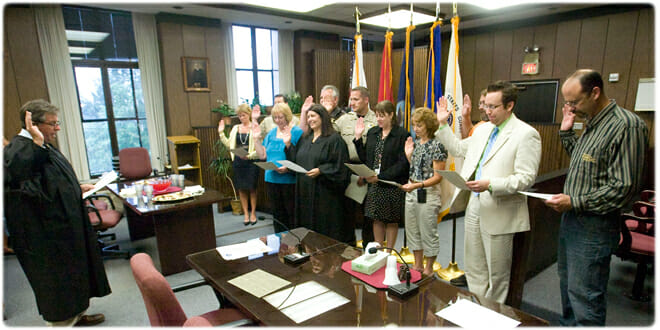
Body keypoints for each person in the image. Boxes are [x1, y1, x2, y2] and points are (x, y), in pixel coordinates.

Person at [544, 69, 648, 326]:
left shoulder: (626, 125)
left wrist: (574, 201)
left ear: (595, 93)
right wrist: (567, 132)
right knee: (569, 288)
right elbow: (584, 164)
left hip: (595, 226)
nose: (570, 108)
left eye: (574, 102)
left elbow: (623, 187)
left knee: (586, 296)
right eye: (566, 102)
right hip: (573, 220)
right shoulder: (593, 122)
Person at [4, 99, 110, 326]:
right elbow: (24, 190)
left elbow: (48, 182)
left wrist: (75, 187)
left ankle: (77, 314)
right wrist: (38, 143)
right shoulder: (21, 149)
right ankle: (62, 322)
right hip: (48, 236)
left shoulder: (39, 145)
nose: (57, 128)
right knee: (59, 284)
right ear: (32, 123)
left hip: (65, 227)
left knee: (76, 275)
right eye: (53, 124)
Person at [435, 80, 542, 303]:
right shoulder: (482, 129)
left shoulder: (526, 134)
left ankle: (493, 317)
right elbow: (457, 149)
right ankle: (479, 309)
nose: (486, 111)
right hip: (474, 204)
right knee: (474, 267)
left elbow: (525, 178)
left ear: (510, 105)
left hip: (500, 209)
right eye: (485, 105)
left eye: (493, 106)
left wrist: (490, 184)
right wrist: (443, 125)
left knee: (497, 275)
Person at [284, 104, 353, 244]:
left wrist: (321, 170)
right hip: (305, 191)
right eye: (308, 116)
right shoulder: (306, 138)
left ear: (322, 117)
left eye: (313, 116)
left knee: (323, 229)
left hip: (324, 193)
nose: (310, 119)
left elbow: (341, 166)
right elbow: (296, 160)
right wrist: (288, 146)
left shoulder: (334, 140)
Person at [353, 100, 409, 250]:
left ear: (391, 115)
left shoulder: (402, 134)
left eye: (382, 116)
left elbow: (403, 163)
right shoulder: (373, 133)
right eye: (377, 115)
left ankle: (389, 250)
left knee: (391, 220)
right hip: (375, 183)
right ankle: (378, 248)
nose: (378, 119)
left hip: (391, 184)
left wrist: (381, 176)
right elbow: (365, 157)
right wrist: (358, 139)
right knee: (376, 217)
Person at [400, 107, 447, 276]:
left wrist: (417, 186)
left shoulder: (437, 145)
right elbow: (417, 167)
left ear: (428, 125)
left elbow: (438, 176)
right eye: (414, 125)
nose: (416, 129)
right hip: (412, 190)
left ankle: (428, 268)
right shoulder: (417, 144)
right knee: (412, 230)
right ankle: (417, 265)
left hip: (427, 192)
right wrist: (408, 156)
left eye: (419, 125)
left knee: (428, 231)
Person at [334, 86, 378, 246]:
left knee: (369, 218)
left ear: (366, 100)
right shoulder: (344, 119)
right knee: (347, 216)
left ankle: (369, 250)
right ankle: (349, 248)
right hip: (348, 172)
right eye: (351, 99)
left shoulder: (375, 120)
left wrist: (367, 175)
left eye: (356, 99)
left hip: (368, 172)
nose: (351, 103)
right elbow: (329, 133)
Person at [253, 102, 304, 233]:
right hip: (271, 178)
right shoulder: (271, 134)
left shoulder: (297, 132)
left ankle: (294, 243)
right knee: (277, 214)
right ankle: (280, 242)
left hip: (289, 180)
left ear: (287, 116)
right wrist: (256, 140)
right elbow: (262, 155)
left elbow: (300, 156)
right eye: (275, 118)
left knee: (291, 213)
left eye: (280, 117)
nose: (277, 120)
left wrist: (288, 168)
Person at [218, 104, 260, 225]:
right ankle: (246, 214)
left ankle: (253, 213)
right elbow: (229, 144)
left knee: (252, 188)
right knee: (241, 188)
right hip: (238, 162)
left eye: (244, 115)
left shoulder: (254, 127)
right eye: (239, 116)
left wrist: (249, 155)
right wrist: (221, 133)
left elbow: (259, 146)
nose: (242, 117)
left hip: (251, 161)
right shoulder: (235, 128)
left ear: (249, 114)